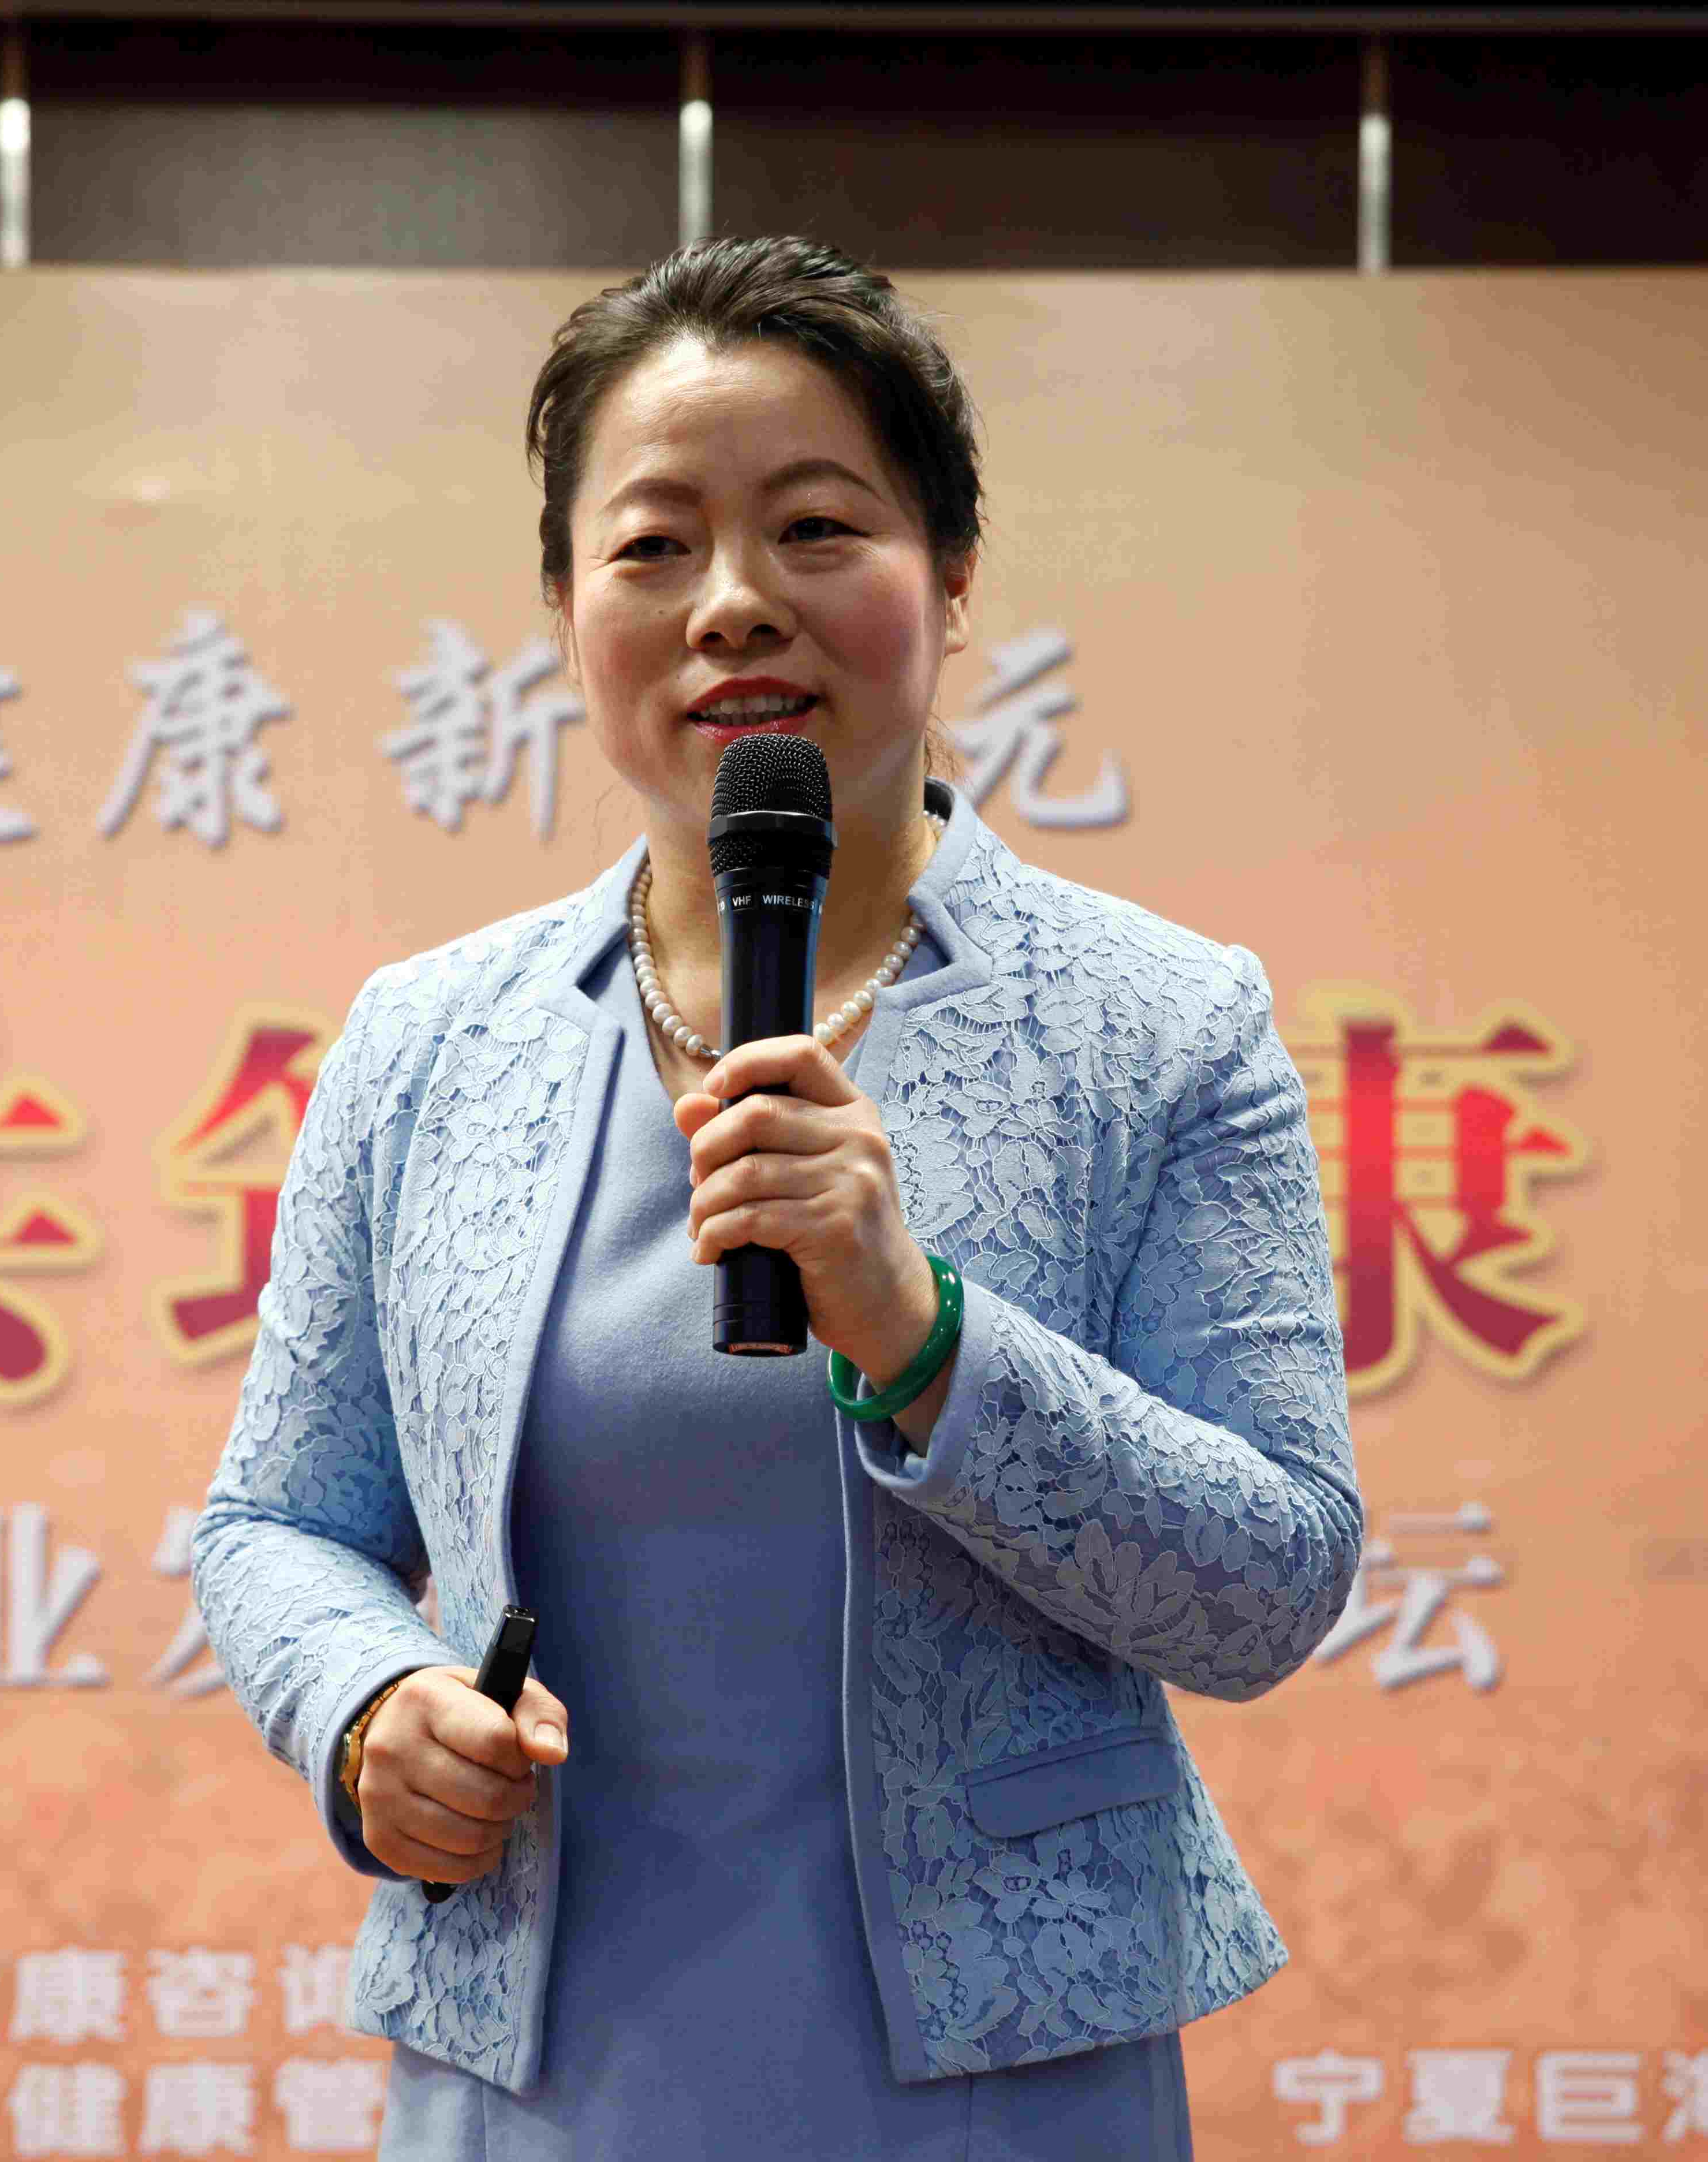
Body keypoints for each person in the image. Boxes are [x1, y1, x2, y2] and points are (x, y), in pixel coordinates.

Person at [192, 234, 1363, 2161]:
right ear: (567, 606)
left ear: (953, 571)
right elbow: (279, 1522)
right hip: (547, 2078)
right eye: (654, 546)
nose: (734, 604)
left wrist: (923, 1335)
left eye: (818, 528)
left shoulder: (1160, 1025)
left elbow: (1271, 1581)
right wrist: (367, 1706)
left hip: (1002, 2089)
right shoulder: (426, 1043)